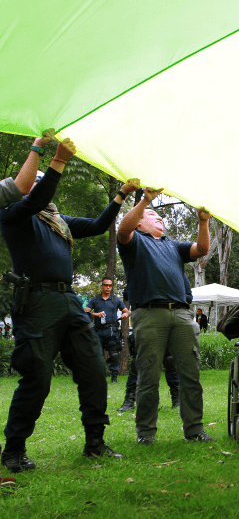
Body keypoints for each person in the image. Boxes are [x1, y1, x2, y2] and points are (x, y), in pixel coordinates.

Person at [0, 137, 134, 472]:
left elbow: (100, 226)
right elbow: (36, 198)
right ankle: (13, 451)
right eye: (35, 183)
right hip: (37, 303)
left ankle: (95, 444)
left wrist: (120, 195)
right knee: (37, 379)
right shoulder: (15, 214)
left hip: (69, 302)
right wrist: (57, 160)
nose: (39, 188)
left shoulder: (57, 221)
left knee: (93, 371)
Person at [117, 188, 213, 445]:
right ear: (139, 221)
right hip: (149, 314)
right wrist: (145, 200)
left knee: (190, 375)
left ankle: (194, 430)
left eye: (160, 216)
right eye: (151, 215)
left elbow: (202, 248)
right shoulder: (134, 241)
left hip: (182, 314)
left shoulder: (173, 246)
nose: (158, 217)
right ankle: (146, 434)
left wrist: (203, 221)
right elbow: (123, 229)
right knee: (148, 375)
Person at [85, 277, 130, 383]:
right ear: (102, 286)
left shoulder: (116, 299)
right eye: (106, 285)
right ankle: (100, 377)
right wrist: (96, 314)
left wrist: (125, 314)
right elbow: (85, 312)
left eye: (110, 285)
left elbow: (127, 311)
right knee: (98, 354)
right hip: (98, 331)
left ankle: (114, 378)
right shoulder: (95, 299)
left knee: (114, 354)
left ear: (112, 287)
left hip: (112, 331)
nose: (108, 287)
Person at [0, 129, 56, 209]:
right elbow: (20, 187)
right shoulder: (11, 210)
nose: (39, 185)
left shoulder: (54, 215)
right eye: (36, 180)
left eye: (41, 181)